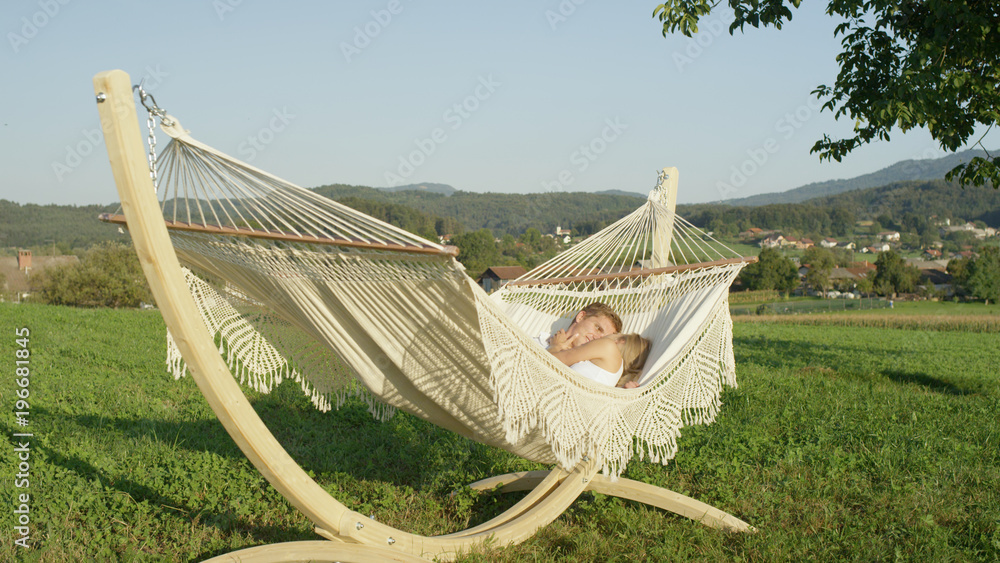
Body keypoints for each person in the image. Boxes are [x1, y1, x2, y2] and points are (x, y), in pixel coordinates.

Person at [552, 333, 651, 389]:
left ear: (621, 340)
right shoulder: (614, 375)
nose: (598, 336)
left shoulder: (608, 346)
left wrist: (555, 345)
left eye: (612, 334)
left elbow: (553, 360)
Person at [534, 302, 623, 353]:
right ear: (580, 317)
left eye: (603, 338)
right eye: (597, 328)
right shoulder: (534, 343)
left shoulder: (584, 369)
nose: (597, 338)